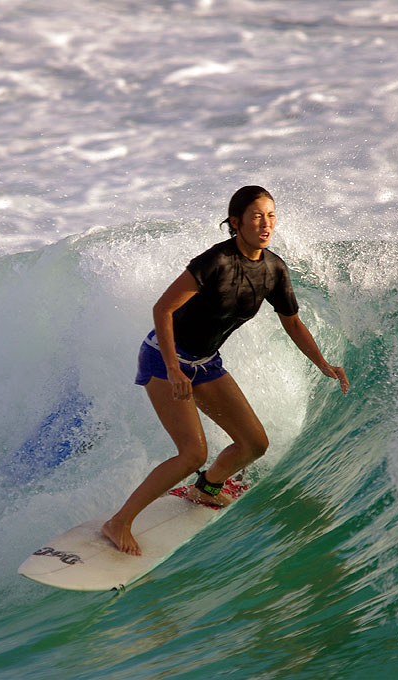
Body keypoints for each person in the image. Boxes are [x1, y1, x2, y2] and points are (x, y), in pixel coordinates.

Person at [102, 186, 349, 556]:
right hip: (163, 359)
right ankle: (118, 521)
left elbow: (293, 323)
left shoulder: (273, 269)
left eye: (271, 216)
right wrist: (173, 368)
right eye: (256, 216)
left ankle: (206, 487)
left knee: (255, 444)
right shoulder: (215, 261)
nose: (266, 224)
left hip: (205, 364)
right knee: (191, 453)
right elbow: (163, 309)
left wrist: (324, 364)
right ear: (236, 223)